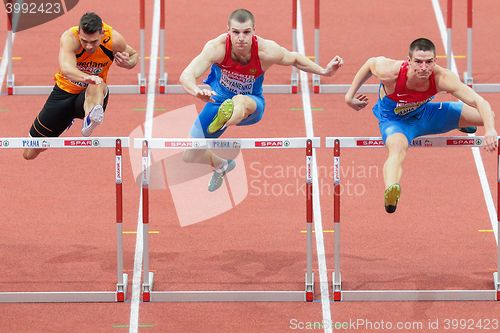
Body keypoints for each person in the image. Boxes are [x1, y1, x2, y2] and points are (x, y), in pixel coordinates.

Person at [180, 8, 343, 191]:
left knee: (239, 101)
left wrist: (324, 71)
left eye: (246, 32)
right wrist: (196, 91)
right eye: (236, 32)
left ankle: (226, 118)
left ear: (254, 31)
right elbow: (186, 74)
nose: (241, 38)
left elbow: (295, 59)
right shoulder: (216, 48)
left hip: (252, 104)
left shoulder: (266, 51)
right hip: (217, 101)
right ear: (228, 30)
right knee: (190, 155)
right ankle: (222, 165)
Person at [345, 38, 497, 213]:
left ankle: (461, 123)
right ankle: (391, 190)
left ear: (435, 61)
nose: (424, 67)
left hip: (426, 115)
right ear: (408, 61)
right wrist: (349, 96)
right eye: (418, 62)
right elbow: (370, 63)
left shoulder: (443, 77)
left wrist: (490, 129)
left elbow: (480, 101)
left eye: (428, 62)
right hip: (396, 123)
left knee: (486, 117)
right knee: (397, 148)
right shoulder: (390, 72)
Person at [23, 12, 138, 160]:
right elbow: (66, 68)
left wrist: (128, 63)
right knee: (29, 153)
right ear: (79, 32)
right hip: (64, 93)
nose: (89, 46)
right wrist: (86, 77)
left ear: (102, 34)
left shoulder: (114, 40)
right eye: (84, 41)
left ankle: (90, 118)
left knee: (98, 83)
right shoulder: (69, 38)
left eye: (94, 41)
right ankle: (65, 121)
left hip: (91, 95)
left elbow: (134, 55)